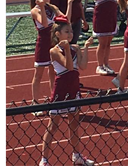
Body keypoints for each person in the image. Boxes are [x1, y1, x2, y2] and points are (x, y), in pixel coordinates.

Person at [38, 15, 97, 166]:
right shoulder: (54, 51)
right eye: (66, 31)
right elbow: (69, 66)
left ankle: (76, 155)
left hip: (74, 88)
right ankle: (44, 159)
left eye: (71, 31)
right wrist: (67, 49)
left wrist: (85, 48)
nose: (70, 34)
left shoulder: (74, 47)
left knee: (74, 125)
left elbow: (82, 66)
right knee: (53, 126)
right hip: (61, 89)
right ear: (58, 34)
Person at [29, 0, 77, 108]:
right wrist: (42, 7)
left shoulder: (52, 7)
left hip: (53, 44)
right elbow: (45, 24)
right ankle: (35, 102)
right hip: (43, 45)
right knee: (38, 74)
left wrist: (69, 3)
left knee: (53, 72)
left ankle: (54, 99)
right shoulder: (35, 10)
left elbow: (66, 19)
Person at [85, 0, 118, 76]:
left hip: (112, 16)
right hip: (101, 17)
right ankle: (99, 65)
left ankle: (106, 63)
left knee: (108, 42)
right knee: (102, 42)